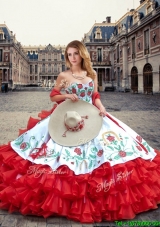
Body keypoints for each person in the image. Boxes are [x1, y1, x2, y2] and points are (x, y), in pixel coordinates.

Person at [0, 40, 160, 223]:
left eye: (75, 54)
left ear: (82, 54)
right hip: (69, 116)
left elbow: (95, 96)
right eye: (69, 54)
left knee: (112, 151)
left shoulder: (91, 74)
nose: (72, 58)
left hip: (91, 115)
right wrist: (67, 95)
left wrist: (101, 107)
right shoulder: (64, 75)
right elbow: (53, 95)